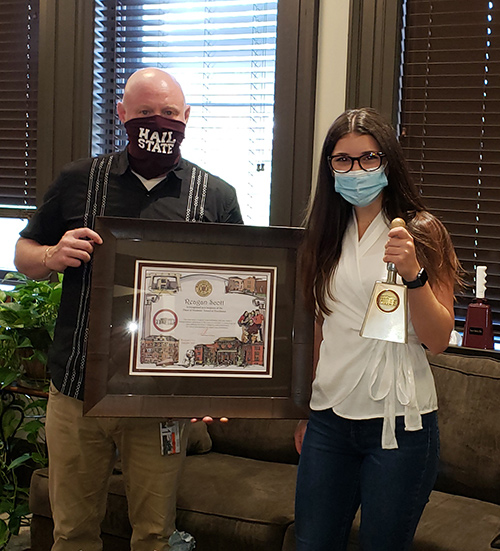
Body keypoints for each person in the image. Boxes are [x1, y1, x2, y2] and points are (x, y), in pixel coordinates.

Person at [14, 68, 243, 551]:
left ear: (186, 117)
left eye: (168, 114)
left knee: (155, 535)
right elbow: (24, 252)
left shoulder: (216, 196)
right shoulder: (78, 180)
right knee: (72, 532)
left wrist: (219, 383)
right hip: (76, 390)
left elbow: (238, 296)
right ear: (121, 114)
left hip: (161, 400)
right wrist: (50, 256)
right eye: (143, 113)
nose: (157, 123)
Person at [294, 107, 461, 551]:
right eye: (343, 160)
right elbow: (319, 324)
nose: (356, 170)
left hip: (399, 424)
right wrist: (305, 409)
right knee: (312, 543)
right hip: (329, 419)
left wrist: (413, 275)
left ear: (388, 161)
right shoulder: (325, 233)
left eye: (369, 158)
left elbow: (438, 339)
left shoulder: (420, 231)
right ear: (330, 168)